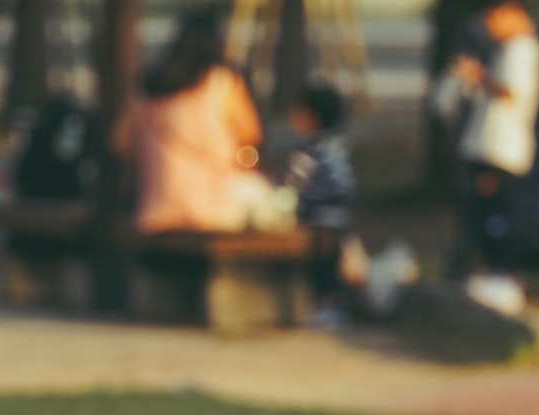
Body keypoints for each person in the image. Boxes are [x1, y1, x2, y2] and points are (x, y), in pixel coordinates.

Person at [132, 6, 268, 236]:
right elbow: (252, 134)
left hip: (156, 209)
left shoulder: (151, 89)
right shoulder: (223, 81)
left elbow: (120, 142)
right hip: (214, 209)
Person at [435, 0, 539, 281]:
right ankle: (479, 267)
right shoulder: (508, 49)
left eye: (494, 17)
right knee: (478, 214)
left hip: (498, 148)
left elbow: (510, 91)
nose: (490, 25)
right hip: (486, 144)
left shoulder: (522, 48)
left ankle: (497, 269)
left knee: (491, 215)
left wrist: (478, 75)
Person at [277, 81, 367, 300]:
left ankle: (319, 304)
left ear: (308, 117)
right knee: (331, 268)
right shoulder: (340, 146)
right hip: (342, 218)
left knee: (315, 266)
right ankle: (333, 306)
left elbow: (291, 189)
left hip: (315, 218)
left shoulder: (308, 149)